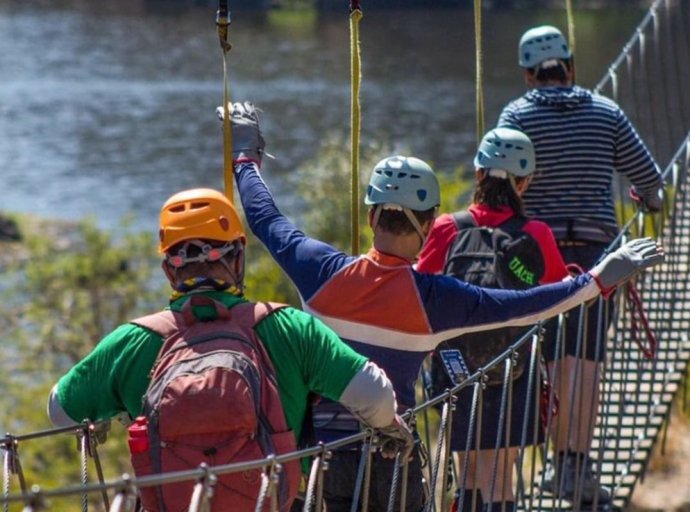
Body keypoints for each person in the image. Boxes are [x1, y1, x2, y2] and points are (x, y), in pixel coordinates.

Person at [222, 101, 663, 512]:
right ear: (430, 222)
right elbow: (527, 306)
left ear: (372, 215)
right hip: (395, 462)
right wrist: (597, 280)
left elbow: (264, 217)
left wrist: (246, 154)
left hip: (323, 460)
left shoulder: (320, 273)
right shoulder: (438, 301)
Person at [46, 187, 413, 512]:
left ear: (168, 270)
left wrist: (104, 419)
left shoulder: (133, 341)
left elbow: (60, 409)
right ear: (238, 258)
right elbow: (375, 394)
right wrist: (387, 426)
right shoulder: (289, 329)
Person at [497, 25, 664, 506]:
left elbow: (497, 183)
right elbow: (650, 183)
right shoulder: (605, 111)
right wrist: (646, 201)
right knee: (585, 361)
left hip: (540, 254)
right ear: (570, 66)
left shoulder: (516, 115)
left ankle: (550, 462)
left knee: (548, 359)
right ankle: (574, 467)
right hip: (598, 254)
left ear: (529, 75)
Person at [417, 127, 570, 512]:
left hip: (455, 370)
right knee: (502, 474)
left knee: (466, 471)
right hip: (516, 365)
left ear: (478, 173)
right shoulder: (536, 233)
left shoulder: (447, 228)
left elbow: (419, 288)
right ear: (525, 181)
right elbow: (556, 294)